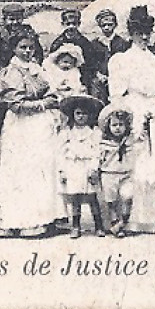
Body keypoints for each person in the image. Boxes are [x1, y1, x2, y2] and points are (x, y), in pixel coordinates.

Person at [0, 28, 64, 238]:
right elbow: (15, 104)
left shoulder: (37, 69)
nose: (27, 51)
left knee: (42, 170)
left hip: (40, 127)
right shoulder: (10, 72)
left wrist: (50, 100)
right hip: (21, 127)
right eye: (23, 47)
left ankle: (42, 219)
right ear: (14, 49)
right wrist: (44, 103)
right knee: (22, 172)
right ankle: (22, 221)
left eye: (31, 48)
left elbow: (52, 91)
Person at [106, 6, 155, 234]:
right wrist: (126, 116)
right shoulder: (121, 59)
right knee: (138, 161)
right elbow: (116, 94)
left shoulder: (153, 57)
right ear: (131, 33)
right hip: (134, 108)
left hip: (154, 109)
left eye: (147, 32)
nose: (144, 37)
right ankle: (135, 218)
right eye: (139, 33)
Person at [57, 94, 105, 238]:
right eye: (78, 113)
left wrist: (94, 168)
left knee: (92, 196)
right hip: (72, 166)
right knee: (75, 197)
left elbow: (97, 151)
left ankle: (99, 225)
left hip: (88, 166)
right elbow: (60, 152)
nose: (81, 117)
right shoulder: (67, 133)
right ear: (72, 114)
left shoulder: (94, 133)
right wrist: (62, 171)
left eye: (85, 114)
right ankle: (76, 226)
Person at [97, 105, 137, 237]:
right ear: (108, 127)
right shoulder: (104, 143)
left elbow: (140, 136)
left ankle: (123, 222)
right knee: (111, 201)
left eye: (121, 124)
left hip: (126, 174)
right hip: (109, 174)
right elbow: (98, 158)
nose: (118, 128)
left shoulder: (129, 141)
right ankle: (116, 225)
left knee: (128, 196)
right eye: (114, 125)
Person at [49, 8, 107, 94]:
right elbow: (52, 63)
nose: (71, 27)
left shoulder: (85, 43)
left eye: (74, 24)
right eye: (68, 24)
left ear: (79, 24)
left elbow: (91, 63)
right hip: (61, 75)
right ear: (63, 24)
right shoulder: (58, 43)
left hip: (82, 76)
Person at [0, 6, 38, 79]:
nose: (15, 22)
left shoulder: (28, 32)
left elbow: (38, 53)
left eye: (18, 19)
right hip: (6, 68)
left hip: (24, 68)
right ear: (5, 20)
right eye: (11, 19)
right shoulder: (1, 33)